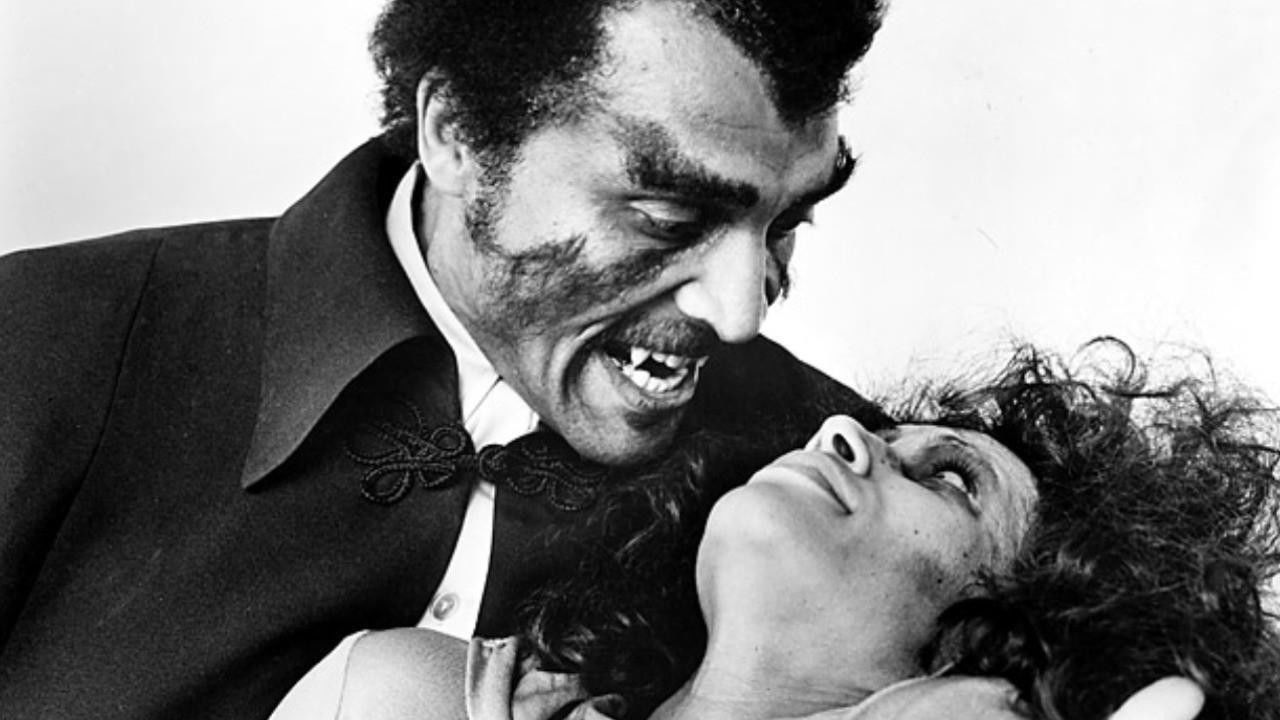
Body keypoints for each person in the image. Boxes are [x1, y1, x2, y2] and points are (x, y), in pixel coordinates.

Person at [0, 1, 891, 717]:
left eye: (787, 222)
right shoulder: (38, 336)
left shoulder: (849, 485)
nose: (740, 315)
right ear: (457, 132)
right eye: (667, 218)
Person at [309, 341, 1280, 719]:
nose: (839, 433)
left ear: (1019, 641)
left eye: (948, 481)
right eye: (877, 436)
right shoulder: (411, 698)